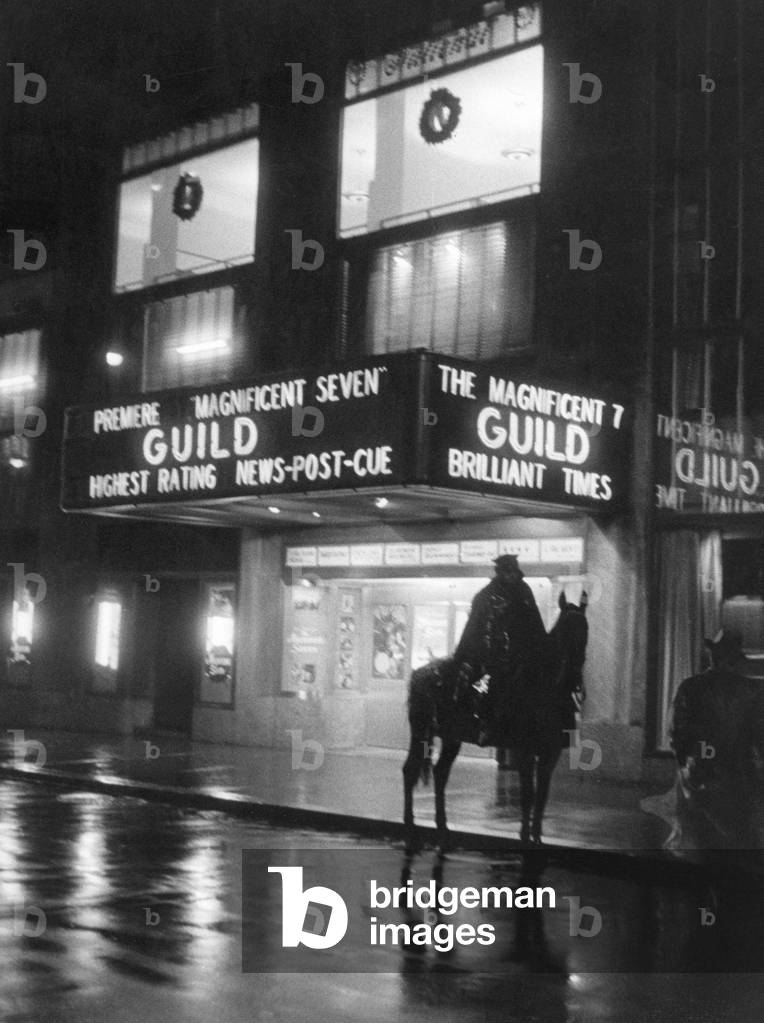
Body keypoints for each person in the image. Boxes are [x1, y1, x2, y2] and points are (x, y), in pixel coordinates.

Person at [670, 629, 764, 850]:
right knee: (738, 838)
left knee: (697, 838)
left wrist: (684, 760)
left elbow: (678, 731)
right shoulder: (754, 690)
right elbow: (760, 733)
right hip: (739, 771)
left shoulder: (691, 687)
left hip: (700, 768)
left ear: (714, 655)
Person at [452, 554, 547, 745]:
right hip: (491, 653)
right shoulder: (486, 595)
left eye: (513, 571)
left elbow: (535, 620)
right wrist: (462, 654)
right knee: (485, 683)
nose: (511, 575)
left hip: (520, 651)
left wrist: (542, 646)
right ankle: (482, 723)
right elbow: (473, 627)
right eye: (507, 571)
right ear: (501, 572)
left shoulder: (524, 590)